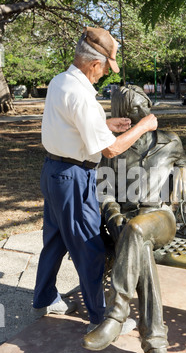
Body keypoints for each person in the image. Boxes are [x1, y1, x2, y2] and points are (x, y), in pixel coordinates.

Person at [31, 28, 158, 333]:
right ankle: (101, 319)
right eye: (105, 70)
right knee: (89, 245)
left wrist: (105, 123)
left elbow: (71, 121)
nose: (104, 76)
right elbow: (112, 149)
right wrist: (143, 126)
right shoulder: (82, 95)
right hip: (74, 178)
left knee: (56, 240)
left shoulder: (61, 81)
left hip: (53, 171)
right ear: (93, 65)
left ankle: (44, 298)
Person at [83, 85, 186, 353]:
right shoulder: (114, 149)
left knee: (138, 231)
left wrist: (185, 174)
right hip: (127, 224)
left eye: (142, 111)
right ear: (122, 118)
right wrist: (115, 219)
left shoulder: (169, 141)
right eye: (130, 115)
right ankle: (157, 346)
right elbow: (104, 193)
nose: (139, 118)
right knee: (136, 238)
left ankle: (116, 314)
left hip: (160, 220)